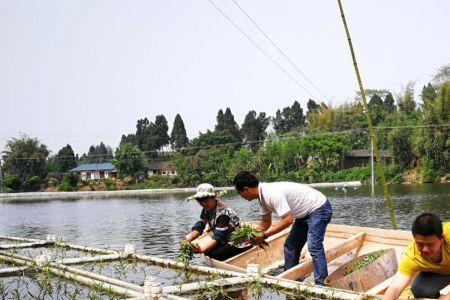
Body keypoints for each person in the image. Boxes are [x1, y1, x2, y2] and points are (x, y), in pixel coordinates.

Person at [232, 171, 332, 286]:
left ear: (246, 190)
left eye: (240, 194)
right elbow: (265, 223)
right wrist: (251, 235)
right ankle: (291, 281)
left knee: (314, 246)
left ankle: (321, 284)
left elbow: (288, 220)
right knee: (290, 247)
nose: (242, 197)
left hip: (319, 208)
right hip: (303, 214)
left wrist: (264, 236)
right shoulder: (262, 199)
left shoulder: (270, 194)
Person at [383, 213, 450, 300]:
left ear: (442, 239)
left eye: (430, 244)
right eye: (420, 244)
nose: (425, 249)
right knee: (419, 290)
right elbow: (395, 289)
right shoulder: (412, 255)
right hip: (442, 273)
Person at [182, 183, 251, 261]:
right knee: (208, 251)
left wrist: (202, 250)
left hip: (239, 242)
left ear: (214, 198)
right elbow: (200, 225)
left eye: (206, 201)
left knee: (213, 254)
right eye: (201, 202)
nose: (204, 204)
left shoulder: (223, 213)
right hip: (225, 239)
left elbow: (218, 236)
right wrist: (188, 239)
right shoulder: (206, 210)